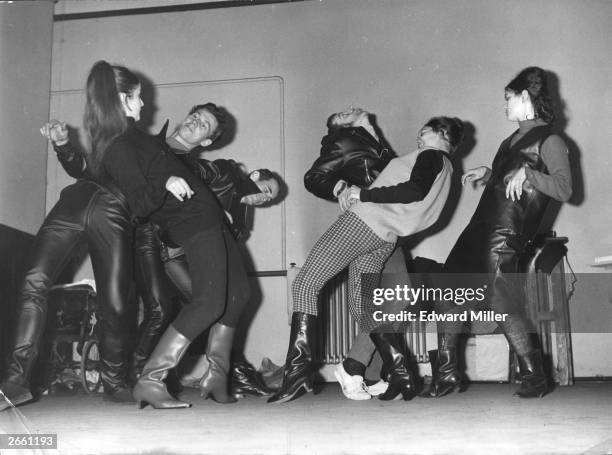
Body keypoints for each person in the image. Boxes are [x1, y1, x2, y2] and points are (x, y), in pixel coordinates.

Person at [84, 60, 250, 410]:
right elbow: (141, 203)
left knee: (239, 295)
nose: (145, 105)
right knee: (208, 302)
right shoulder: (117, 145)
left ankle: (216, 376)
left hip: (211, 221)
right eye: (138, 98)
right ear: (121, 99)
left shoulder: (135, 137)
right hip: (192, 224)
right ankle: (151, 379)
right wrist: (166, 183)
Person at [268, 116, 464, 404]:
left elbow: (413, 190)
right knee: (366, 308)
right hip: (385, 238)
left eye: (424, 132)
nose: (418, 139)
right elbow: (407, 186)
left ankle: (297, 373)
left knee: (305, 284)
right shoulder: (446, 170)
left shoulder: (431, 156)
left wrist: (364, 193)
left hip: (362, 223)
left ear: (442, 134)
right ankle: (400, 372)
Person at [425, 67, 572, 399]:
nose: (504, 105)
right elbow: (511, 179)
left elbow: (564, 189)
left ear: (524, 97)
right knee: (449, 294)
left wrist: (531, 175)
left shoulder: (551, 140)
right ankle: (447, 374)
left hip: (506, 235)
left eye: (508, 98)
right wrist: (489, 173)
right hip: (480, 228)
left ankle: (535, 376)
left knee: (501, 302)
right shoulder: (510, 140)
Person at [0, 121, 137, 411]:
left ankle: (113, 382)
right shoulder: (115, 145)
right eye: (194, 118)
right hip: (73, 203)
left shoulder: (159, 155)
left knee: (114, 302)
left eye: (204, 125)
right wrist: (63, 144)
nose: (194, 124)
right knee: (33, 280)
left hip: (115, 211)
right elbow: (80, 168)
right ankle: (16, 379)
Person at [304, 107, 402, 400]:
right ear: (340, 125)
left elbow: (397, 177)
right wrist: (340, 186)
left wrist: (374, 133)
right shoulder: (345, 140)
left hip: (391, 228)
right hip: (369, 224)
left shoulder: (373, 141)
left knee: (393, 301)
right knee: (380, 301)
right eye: (343, 112)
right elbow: (314, 176)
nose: (351, 107)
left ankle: (369, 376)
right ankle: (354, 369)